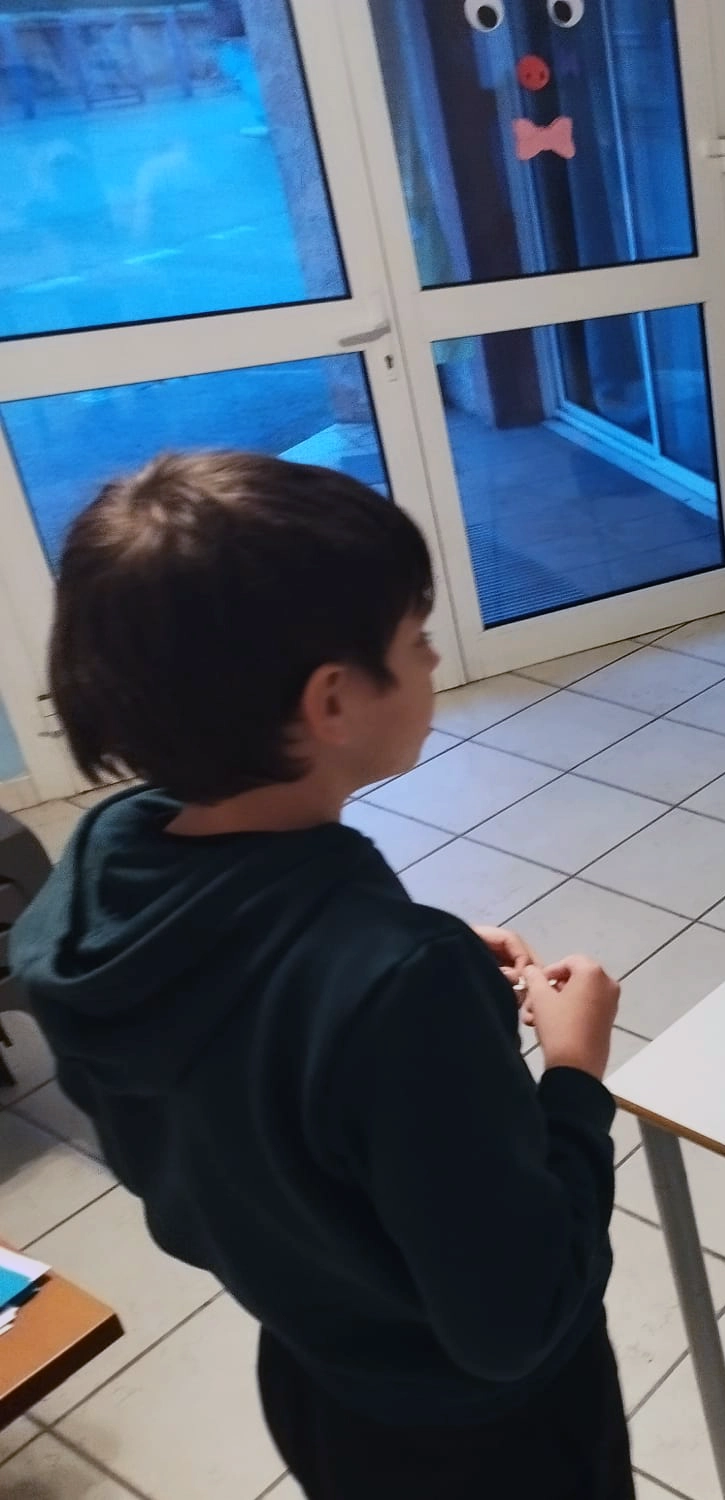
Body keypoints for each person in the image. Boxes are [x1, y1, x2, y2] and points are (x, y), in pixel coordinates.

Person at [10, 454, 633, 1500]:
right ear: (334, 699)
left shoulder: (95, 882)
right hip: (492, 1445)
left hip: (319, 1390)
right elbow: (515, 1320)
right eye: (418, 639)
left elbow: (225, 1115)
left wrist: (387, 964)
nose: (434, 660)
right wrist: (573, 1074)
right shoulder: (400, 985)